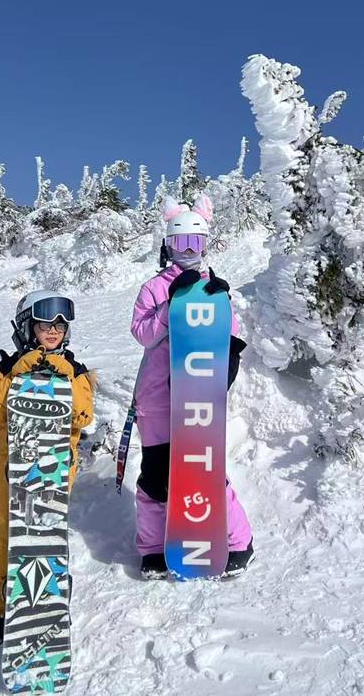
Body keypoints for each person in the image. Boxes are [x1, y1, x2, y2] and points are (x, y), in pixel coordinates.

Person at [129, 194, 254, 580]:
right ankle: (152, 548)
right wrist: (171, 305)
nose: (187, 251)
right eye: (180, 244)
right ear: (168, 245)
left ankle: (237, 542)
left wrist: (222, 316)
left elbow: (229, 335)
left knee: (205, 472)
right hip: (157, 401)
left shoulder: (212, 289)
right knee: (155, 477)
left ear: (205, 245)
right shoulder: (153, 288)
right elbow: (142, 333)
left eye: (194, 244)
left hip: (198, 398)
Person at [0, 291, 95, 647]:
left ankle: (46, 608)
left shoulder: (76, 370)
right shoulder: (7, 369)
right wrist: (16, 372)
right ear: (28, 327)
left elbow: (83, 416)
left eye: (60, 325)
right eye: (45, 324)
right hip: (10, 472)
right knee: (4, 536)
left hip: (53, 472)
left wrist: (66, 380)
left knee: (45, 539)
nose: (53, 331)